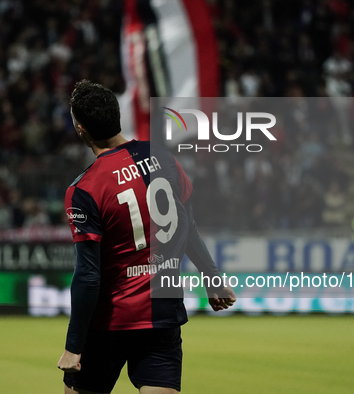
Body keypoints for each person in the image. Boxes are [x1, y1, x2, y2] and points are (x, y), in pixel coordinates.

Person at [57, 80, 236, 394]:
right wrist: (213, 276)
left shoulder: (84, 189)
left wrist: (74, 346)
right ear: (117, 117)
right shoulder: (163, 159)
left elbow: (88, 274)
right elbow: (187, 225)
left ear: (81, 129)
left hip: (109, 324)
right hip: (161, 317)